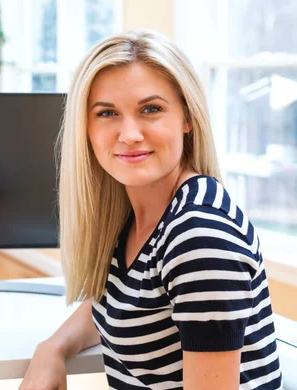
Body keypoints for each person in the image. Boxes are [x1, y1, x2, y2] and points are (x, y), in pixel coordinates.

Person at [20, 30, 282, 390]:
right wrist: (51, 349)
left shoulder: (199, 237)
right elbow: (115, 305)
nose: (129, 133)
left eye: (151, 109)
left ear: (187, 118)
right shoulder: (134, 212)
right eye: (107, 113)